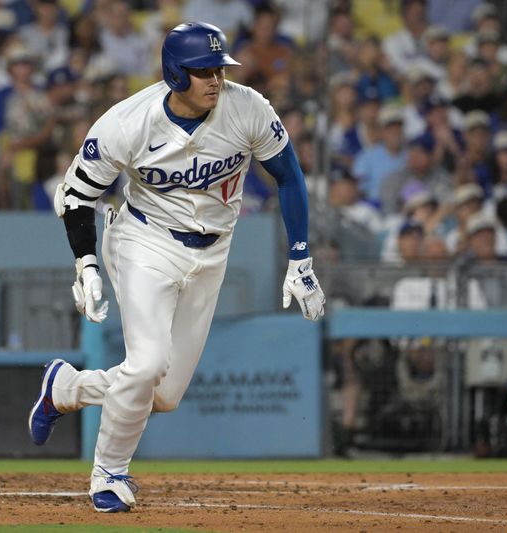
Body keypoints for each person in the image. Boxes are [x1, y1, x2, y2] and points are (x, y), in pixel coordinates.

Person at [27, 22, 325, 513]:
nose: (215, 79)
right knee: (145, 365)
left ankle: (66, 387)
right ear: (174, 73)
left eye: (219, 69)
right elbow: (77, 195)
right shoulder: (126, 123)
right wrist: (85, 263)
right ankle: (108, 476)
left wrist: (300, 255)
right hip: (144, 242)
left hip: (212, 253)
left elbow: (289, 176)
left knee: (161, 395)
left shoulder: (247, 107)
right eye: (202, 71)